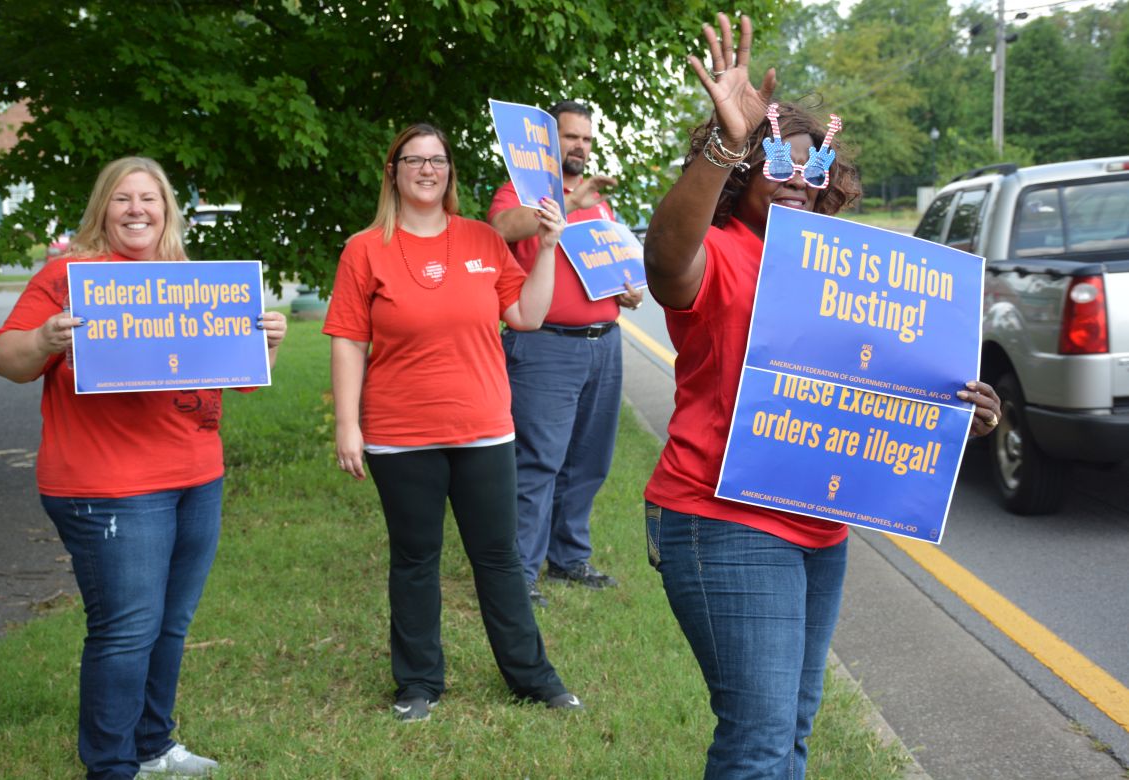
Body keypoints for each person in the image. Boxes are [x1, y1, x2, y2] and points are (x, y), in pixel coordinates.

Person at [641, 14, 1003, 779]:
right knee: (759, 742)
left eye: (812, 166)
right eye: (776, 161)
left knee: (791, 736)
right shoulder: (724, 254)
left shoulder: (851, 273)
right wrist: (722, 141)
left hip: (818, 531)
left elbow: (878, 393)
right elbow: (665, 259)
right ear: (747, 170)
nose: (797, 179)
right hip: (723, 519)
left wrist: (954, 418)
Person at [0, 156, 288, 779]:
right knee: (127, 630)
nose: (136, 210)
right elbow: (6, 359)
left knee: (170, 625)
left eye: (149, 199)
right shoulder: (67, 278)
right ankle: (111, 766)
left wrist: (266, 347)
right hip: (109, 485)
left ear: (167, 209)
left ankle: (153, 745)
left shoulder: (189, 281)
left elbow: (239, 383)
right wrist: (45, 339)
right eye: (122, 198)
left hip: (196, 477)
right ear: (103, 208)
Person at [323, 123, 582, 722]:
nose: (426, 169)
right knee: (415, 559)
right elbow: (346, 341)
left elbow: (528, 315)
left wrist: (547, 247)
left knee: (498, 558)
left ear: (449, 173)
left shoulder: (483, 239)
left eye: (437, 160)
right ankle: (418, 684)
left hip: (484, 430)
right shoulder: (365, 248)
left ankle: (533, 678)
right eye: (413, 159)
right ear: (394, 172)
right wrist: (347, 424)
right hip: (398, 432)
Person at [487, 100, 643, 607]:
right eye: (570, 137)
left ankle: (568, 559)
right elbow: (500, 231)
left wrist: (629, 290)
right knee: (537, 464)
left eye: (587, 140)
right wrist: (568, 202)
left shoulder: (600, 201)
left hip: (604, 344)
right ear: (546, 143)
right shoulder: (521, 191)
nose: (579, 147)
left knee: (587, 462)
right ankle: (519, 575)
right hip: (544, 348)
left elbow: (610, 262)